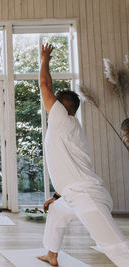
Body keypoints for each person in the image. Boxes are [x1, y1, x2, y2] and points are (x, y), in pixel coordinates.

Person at [37, 43, 129, 266]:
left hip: (86, 196)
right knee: (57, 212)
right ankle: (52, 254)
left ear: (63, 106)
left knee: (114, 247)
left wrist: (44, 60)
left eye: (55, 101)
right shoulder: (69, 128)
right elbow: (68, 169)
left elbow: (44, 84)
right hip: (75, 193)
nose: (50, 103)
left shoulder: (61, 117)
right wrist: (58, 197)